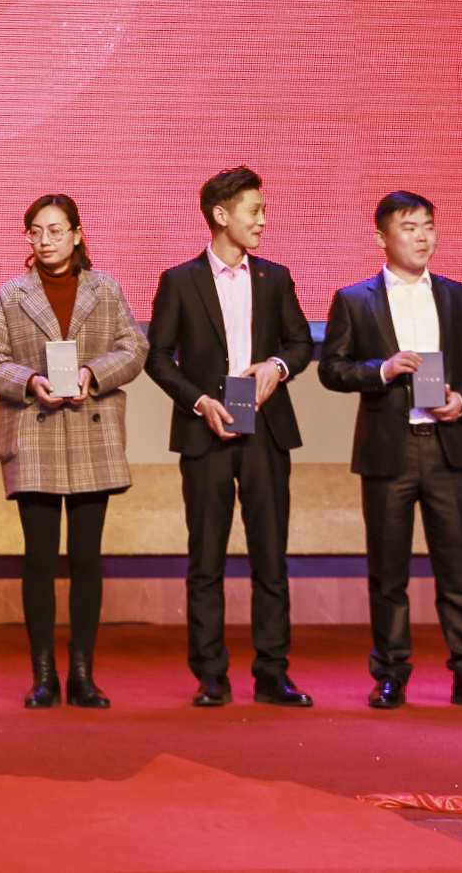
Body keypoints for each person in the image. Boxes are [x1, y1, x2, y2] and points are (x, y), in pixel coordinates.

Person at [317, 191, 462, 711]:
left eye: (428, 225)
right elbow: (331, 369)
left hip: (448, 447)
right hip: (390, 450)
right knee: (389, 574)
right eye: (409, 227)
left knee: (458, 572)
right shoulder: (354, 299)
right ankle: (390, 675)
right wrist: (381, 370)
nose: (422, 237)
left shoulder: (457, 296)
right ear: (381, 237)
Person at [143, 166, 315, 709]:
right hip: (206, 431)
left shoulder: (276, 278)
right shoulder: (180, 280)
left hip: (266, 431)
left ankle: (273, 673)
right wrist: (199, 401)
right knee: (206, 559)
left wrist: (277, 368)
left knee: (271, 557)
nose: (263, 220)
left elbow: (301, 343)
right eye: (254, 210)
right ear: (221, 215)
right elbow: (157, 358)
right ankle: (211, 674)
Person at [0, 193, 147, 709]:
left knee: (87, 559)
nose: (45, 241)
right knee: (40, 559)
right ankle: (44, 675)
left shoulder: (105, 288)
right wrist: (31, 381)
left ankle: (83, 674)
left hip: (93, 432)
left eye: (55, 230)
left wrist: (94, 373)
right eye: (36, 232)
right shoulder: (12, 295)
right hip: (35, 432)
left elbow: (134, 347)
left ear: (76, 234)